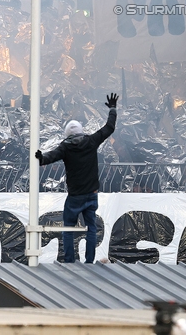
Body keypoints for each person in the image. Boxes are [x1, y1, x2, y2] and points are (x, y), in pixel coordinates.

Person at [35, 93, 118, 263]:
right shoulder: (92, 141)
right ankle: (89, 261)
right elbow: (109, 128)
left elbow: (50, 157)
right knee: (91, 229)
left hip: (74, 197)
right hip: (92, 193)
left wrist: (40, 157)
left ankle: (70, 260)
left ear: (66, 134)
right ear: (81, 130)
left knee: (68, 229)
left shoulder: (65, 148)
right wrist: (112, 109)